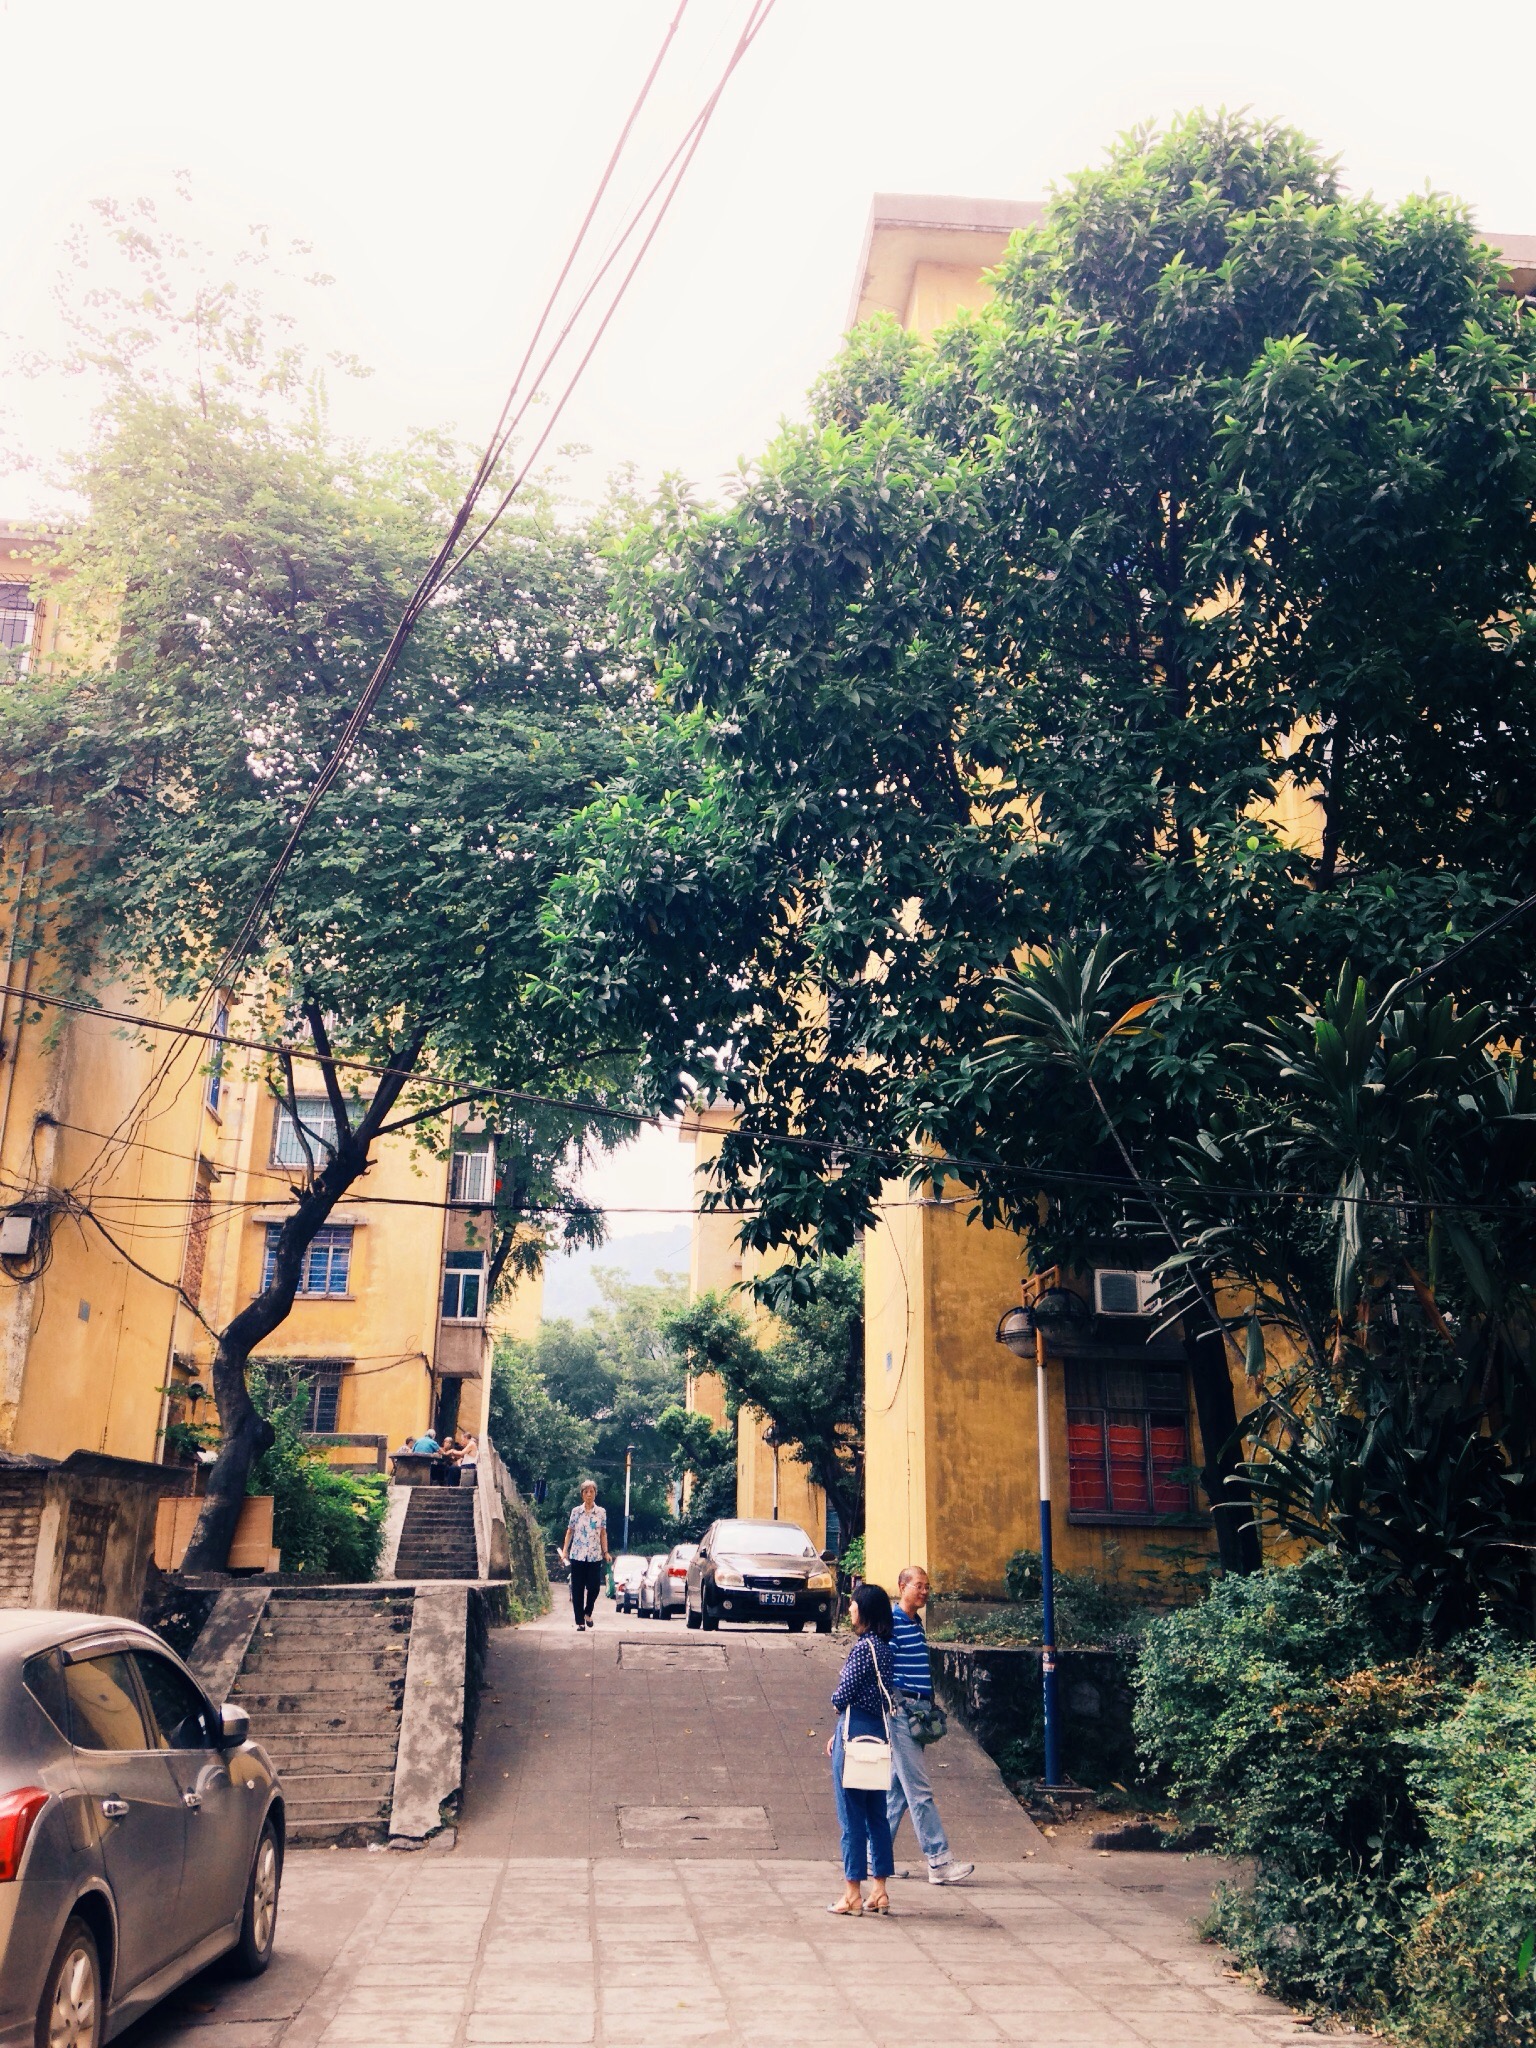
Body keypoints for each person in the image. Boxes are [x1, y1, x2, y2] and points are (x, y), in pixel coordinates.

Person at [887, 1565, 974, 1885]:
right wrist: (897, 1706)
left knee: (897, 1791)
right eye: (919, 1586)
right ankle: (939, 1861)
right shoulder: (893, 1622)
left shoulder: (916, 1624)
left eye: (927, 1587)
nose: (925, 1592)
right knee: (919, 1791)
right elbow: (885, 1668)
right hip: (903, 1714)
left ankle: (872, 1856)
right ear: (902, 1587)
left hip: (919, 1712)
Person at [825, 1581, 898, 1916]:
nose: (850, 1607)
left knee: (851, 1817)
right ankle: (879, 1889)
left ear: (865, 1609)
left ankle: (852, 1892)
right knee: (876, 1815)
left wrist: (837, 1710)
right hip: (877, 1734)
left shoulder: (862, 1648)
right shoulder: (885, 1648)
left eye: (854, 1603)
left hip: (854, 1735)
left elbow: (843, 1694)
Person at [559, 1479, 609, 1631]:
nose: (589, 1494)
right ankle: (580, 1621)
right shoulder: (576, 1512)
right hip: (578, 1555)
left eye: (591, 1492)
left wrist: (605, 1552)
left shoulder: (601, 1512)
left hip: (594, 1556)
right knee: (578, 1589)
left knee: (594, 1587)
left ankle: (588, 1612)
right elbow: (570, 1531)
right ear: (582, 1494)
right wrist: (565, 1550)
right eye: (586, 1492)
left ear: (595, 1494)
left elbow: (603, 1533)